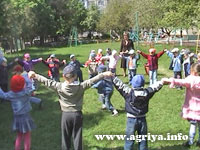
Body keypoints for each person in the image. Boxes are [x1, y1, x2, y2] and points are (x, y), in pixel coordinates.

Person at [28, 65, 112, 150]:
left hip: (66, 115)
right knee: (77, 137)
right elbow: (92, 80)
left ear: (63, 76)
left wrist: (35, 75)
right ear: (75, 76)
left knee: (65, 137)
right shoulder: (81, 86)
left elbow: (47, 81)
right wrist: (104, 74)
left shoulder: (59, 87)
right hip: (77, 115)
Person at [112, 74, 163, 150]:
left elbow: (120, 85)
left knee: (129, 140)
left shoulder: (128, 93)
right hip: (142, 120)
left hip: (131, 120)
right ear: (143, 84)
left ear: (132, 84)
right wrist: (162, 82)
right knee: (143, 140)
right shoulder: (147, 93)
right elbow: (155, 87)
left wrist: (112, 77)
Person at [162, 63, 200, 147]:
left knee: (193, 126)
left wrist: (171, 80)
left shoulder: (191, 80)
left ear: (192, 71)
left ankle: (190, 142)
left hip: (193, 108)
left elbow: (181, 82)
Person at [0, 75, 36, 150]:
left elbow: (3, 95)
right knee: (27, 135)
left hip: (17, 117)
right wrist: (30, 79)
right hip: (26, 117)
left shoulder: (11, 94)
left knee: (19, 136)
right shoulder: (26, 93)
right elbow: (32, 87)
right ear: (23, 85)